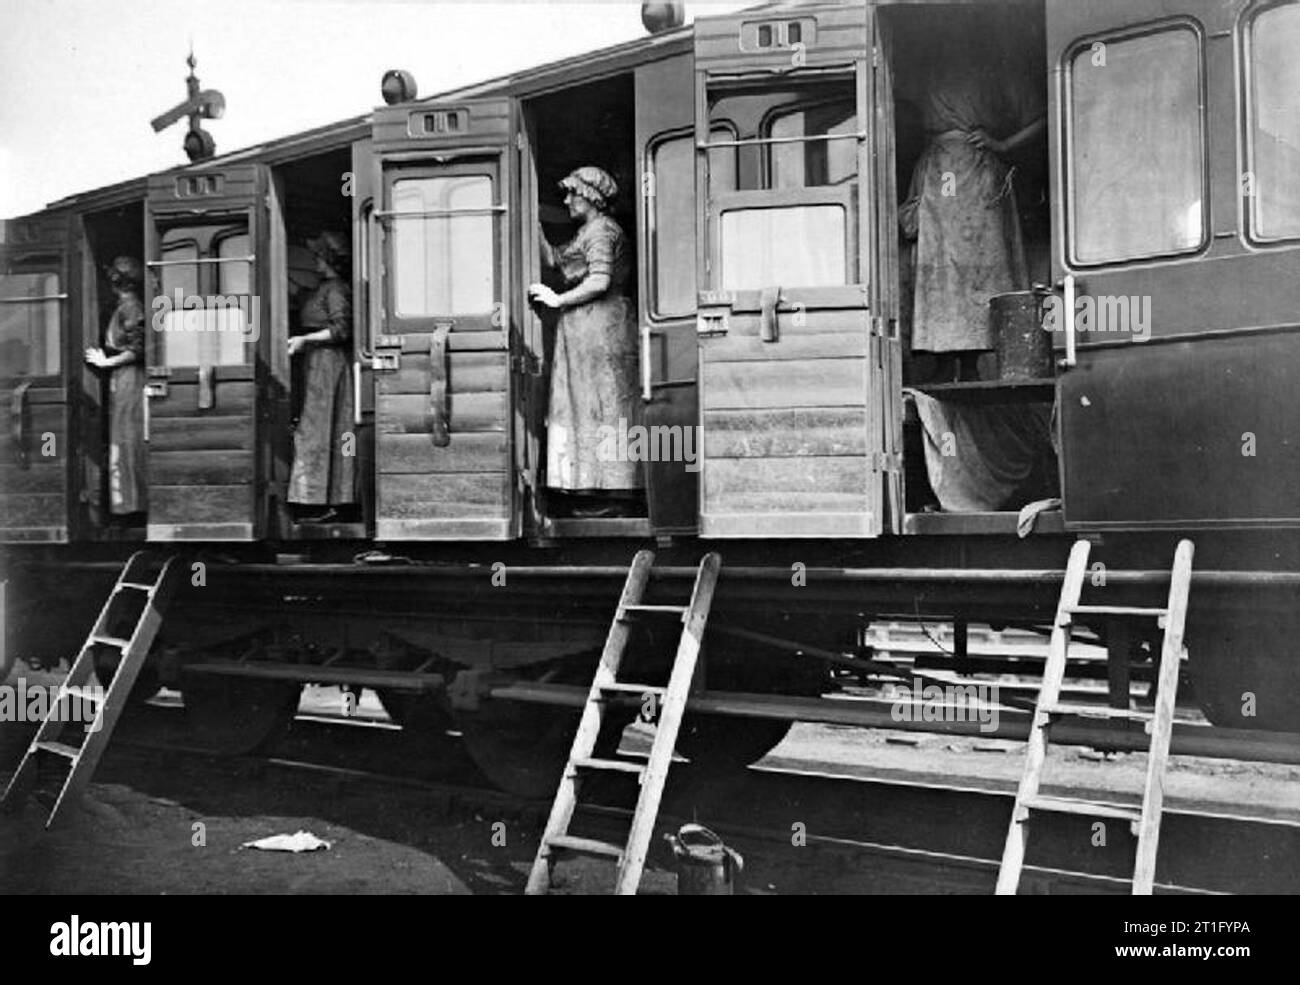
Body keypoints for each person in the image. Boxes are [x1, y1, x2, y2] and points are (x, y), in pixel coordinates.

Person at [900, 38, 1045, 382]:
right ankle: (942, 355)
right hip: (942, 173)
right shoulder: (927, 67)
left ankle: (969, 361)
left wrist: (1004, 145)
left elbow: (1042, 115)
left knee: (980, 266)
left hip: (973, 173)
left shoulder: (999, 68)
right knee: (946, 265)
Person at [528, 166, 643, 518]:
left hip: (603, 328)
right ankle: (593, 485)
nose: (566, 200)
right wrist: (529, 217)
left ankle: (614, 488)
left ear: (590, 195)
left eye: (571, 193)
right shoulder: (587, 232)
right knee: (587, 405)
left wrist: (558, 300)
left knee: (605, 405)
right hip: (586, 330)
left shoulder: (602, 231)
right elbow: (554, 259)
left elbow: (599, 280)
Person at [287, 231, 356, 522]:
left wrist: (306, 340)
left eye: (318, 256)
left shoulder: (336, 289)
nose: (314, 261)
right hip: (317, 365)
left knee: (326, 428)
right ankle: (317, 497)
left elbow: (342, 330)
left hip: (328, 366)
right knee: (316, 428)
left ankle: (331, 500)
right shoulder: (322, 288)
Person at [85, 256, 147, 518]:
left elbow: (138, 348)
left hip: (129, 379)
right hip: (122, 379)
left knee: (128, 437)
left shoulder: (131, 307)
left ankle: (133, 505)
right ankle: (128, 504)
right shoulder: (124, 306)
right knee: (123, 436)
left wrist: (106, 361)